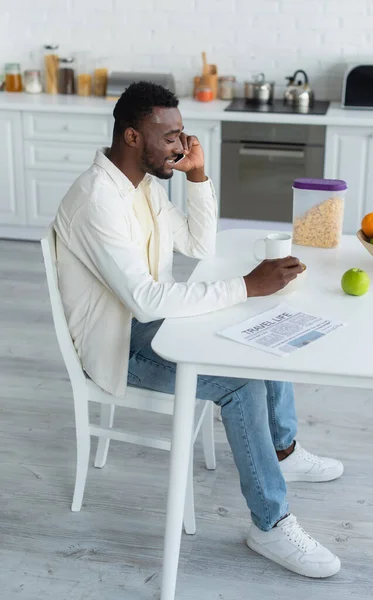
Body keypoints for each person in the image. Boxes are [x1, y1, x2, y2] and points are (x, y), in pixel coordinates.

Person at [54, 81, 344, 579]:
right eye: (170, 137)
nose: (181, 146)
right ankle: (270, 524)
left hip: (150, 325)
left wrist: (199, 177)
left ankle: (283, 450)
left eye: (182, 134)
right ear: (131, 136)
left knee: (254, 323)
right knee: (240, 379)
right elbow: (144, 301)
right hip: (118, 344)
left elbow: (197, 245)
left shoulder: (142, 185)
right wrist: (246, 285)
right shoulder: (98, 201)